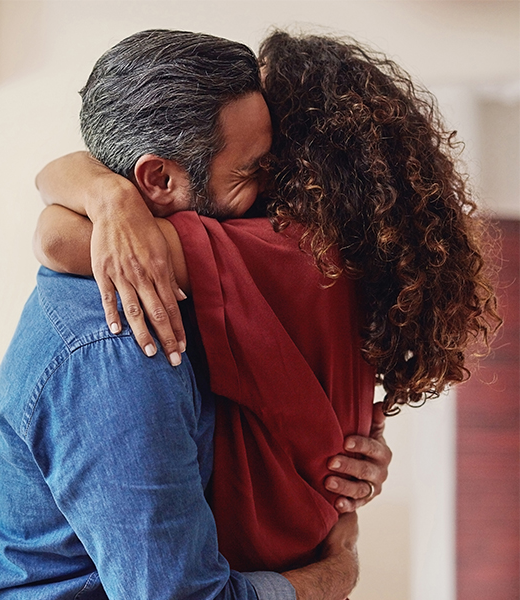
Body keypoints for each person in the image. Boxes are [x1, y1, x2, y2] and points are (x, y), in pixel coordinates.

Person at [35, 30, 501, 573]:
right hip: (293, 546)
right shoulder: (335, 257)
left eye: (263, 164)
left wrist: (107, 196)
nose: (256, 184)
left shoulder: (287, 251)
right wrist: (107, 192)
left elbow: (57, 241)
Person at [0, 30, 376, 600]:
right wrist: (336, 573)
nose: (268, 197)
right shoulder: (123, 346)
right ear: (158, 179)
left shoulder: (188, 292)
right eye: (249, 171)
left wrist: (346, 453)